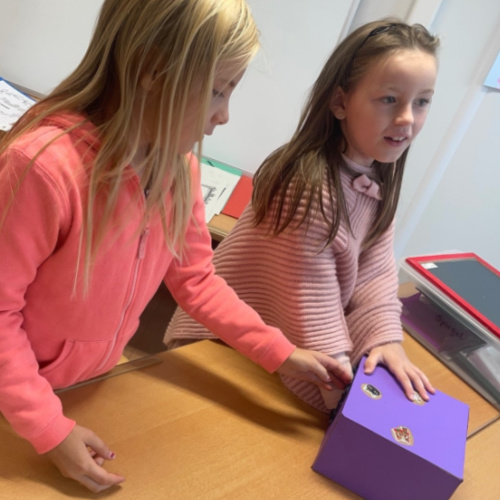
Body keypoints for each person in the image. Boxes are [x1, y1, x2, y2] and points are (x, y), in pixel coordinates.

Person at [0, 0, 353, 493]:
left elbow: (197, 281)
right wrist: (48, 428)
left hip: (86, 387)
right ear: (151, 71)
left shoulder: (177, 167)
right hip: (18, 400)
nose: (224, 115)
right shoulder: (43, 169)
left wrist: (281, 352)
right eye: (216, 91)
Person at [166, 18, 439, 413]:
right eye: (389, 100)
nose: (407, 118)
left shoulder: (375, 180)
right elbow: (311, 310)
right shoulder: (308, 188)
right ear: (340, 102)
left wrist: (386, 339)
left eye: (422, 101)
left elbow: (376, 275)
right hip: (220, 350)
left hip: (283, 357)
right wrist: (343, 400)